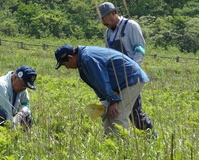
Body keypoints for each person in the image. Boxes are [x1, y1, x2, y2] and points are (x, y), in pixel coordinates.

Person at [54, 44, 149, 134]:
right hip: (119, 84)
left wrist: (113, 100)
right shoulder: (83, 60)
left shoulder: (87, 58)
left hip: (131, 79)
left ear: (70, 58)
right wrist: (106, 101)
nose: (67, 68)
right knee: (107, 113)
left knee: (117, 114)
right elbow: (97, 84)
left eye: (64, 64)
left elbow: (102, 80)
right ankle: (110, 141)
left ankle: (122, 146)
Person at [97, 2, 157, 137]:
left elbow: (139, 48)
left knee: (135, 113)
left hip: (131, 75)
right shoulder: (107, 33)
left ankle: (152, 136)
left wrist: (134, 69)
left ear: (113, 13)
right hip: (117, 77)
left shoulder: (130, 26)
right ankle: (114, 136)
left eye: (104, 18)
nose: (103, 22)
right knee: (117, 110)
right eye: (101, 19)